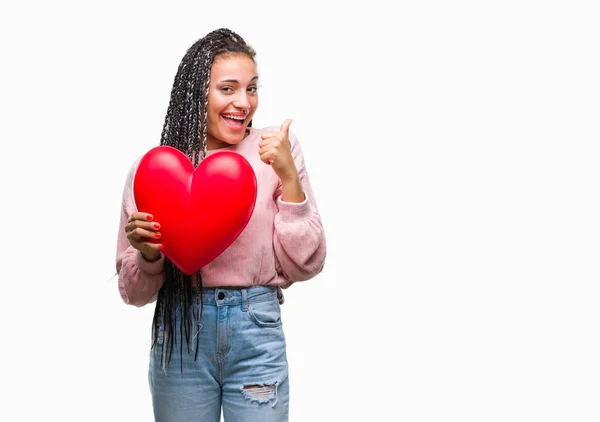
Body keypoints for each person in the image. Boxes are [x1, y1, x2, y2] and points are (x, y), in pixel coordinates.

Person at [115, 28, 326, 422]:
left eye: (252, 88)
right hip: (180, 333)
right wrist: (148, 254)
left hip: (256, 331)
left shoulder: (276, 149)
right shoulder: (154, 172)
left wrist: (289, 175)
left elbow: (306, 263)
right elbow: (135, 294)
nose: (243, 103)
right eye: (228, 89)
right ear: (197, 93)